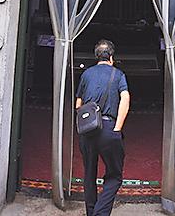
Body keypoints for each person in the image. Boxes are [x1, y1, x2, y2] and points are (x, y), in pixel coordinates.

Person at [74, 38, 130, 216]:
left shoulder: (87, 74)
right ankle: (100, 213)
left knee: (89, 174)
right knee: (114, 176)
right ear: (111, 57)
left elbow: (78, 105)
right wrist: (117, 128)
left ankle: (91, 212)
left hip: (88, 131)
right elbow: (125, 99)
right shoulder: (118, 75)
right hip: (108, 128)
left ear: (96, 56)